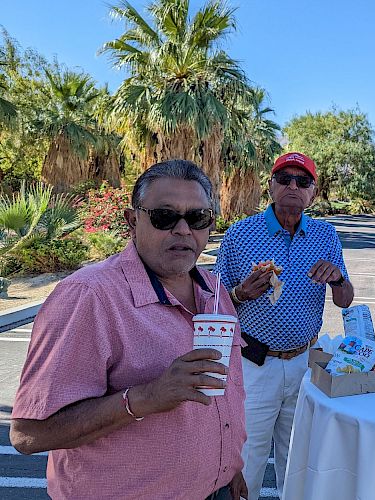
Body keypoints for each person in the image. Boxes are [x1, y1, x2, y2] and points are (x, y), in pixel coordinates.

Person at [11, 160, 247, 500]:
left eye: (197, 218)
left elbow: (225, 394)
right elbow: (29, 434)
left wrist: (228, 469)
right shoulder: (89, 296)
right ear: (132, 221)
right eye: (164, 217)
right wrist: (145, 398)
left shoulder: (213, 289)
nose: (183, 230)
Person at [215, 151, 354, 499]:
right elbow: (214, 302)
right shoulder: (240, 234)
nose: (293, 186)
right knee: (245, 461)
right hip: (254, 364)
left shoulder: (325, 236)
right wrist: (240, 293)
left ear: (313, 193)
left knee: (299, 459)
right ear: (271, 186)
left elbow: (345, 300)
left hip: (306, 365)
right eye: (284, 179)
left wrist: (337, 280)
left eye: (303, 181)